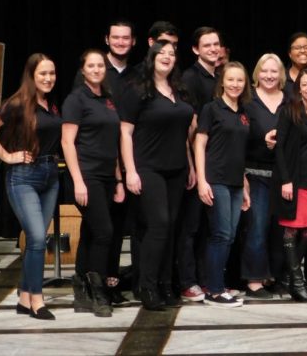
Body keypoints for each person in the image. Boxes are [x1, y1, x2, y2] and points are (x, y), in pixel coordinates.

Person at [0, 53, 61, 320]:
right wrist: (5, 156)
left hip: (50, 176)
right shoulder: (17, 103)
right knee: (37, 239)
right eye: (43, 74)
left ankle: (25, 297)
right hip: (23, 176)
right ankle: (37, 299)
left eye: (52, 73)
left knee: (37, 241)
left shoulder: (50, 104)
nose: (49, 79)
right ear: (31, 76)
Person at [119, 40, 195, 311]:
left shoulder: (180, 90)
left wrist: (192, 167)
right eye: (161, 53)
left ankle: (165, 284)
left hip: (177, 168)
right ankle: (147, 286)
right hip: (148, 168)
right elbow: (125, 133)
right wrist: (130, 171)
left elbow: (184, 135)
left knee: (172, 226)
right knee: (159, 225)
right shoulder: (138, 90)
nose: (167, 57)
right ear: (151, 57)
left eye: (172, 53)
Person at [61, 49, 125, 317]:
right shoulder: (76, 100)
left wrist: (119, 179)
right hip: (86, 176)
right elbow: (67, 142)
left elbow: (114, 142)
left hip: (108, 176)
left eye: (101, 65)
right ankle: (98, 291)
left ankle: (81, 289)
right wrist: (78, 181)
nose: (97, 69)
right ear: (83, 70)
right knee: (104, 233)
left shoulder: (108, 99)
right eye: (92, 66)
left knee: (90, 232)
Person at [195, 61, 252, 308]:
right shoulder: (212, 109)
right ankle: (214, 291)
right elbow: (199, 145)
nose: (235, 84)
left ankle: (218, 283)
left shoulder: (243, 113)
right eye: (230, 79)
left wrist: (245, 185)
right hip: (215, 179)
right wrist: (201, 180)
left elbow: (239, 153)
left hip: (236, 183)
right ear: (222, 82)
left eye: (240, 80)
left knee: (229, 237)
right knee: (220, 234)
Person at [176, 26, 222, 302]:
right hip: (198, 161)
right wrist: (193, 165)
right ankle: (188, 281)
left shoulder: (219, 77)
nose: (213, 49)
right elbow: (190, 127)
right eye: (207, 45)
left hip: (218, 161)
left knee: (210, 227)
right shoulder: (191, 78)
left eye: (216, 44)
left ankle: (206, 280)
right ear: (196, 49)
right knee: (191, 226)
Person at [271, 68, 307, 302]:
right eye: (305, 84)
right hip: (292, 178)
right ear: (298, 87)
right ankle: (297, 282)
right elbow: (280, 148)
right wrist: (286, 180)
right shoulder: (289, 111)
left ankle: (289, 277)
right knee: (291, 229)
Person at [242, 53, 291, 298]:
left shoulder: (289, 99)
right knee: (257, 228)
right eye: (264, 71)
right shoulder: (248, 101)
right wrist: (262, 140)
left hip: (283, 176)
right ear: (257, 74)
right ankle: (254, 281)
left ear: (281, 74)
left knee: (280, 230)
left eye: (274, 71)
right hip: (256, 174)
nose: (269, 76)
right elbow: (238, 137)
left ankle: (276, 277)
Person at [71, 20, 136, 97]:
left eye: (126, 38)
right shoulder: (90, 71)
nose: (120, 43)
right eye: (115, 37)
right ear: (107, 40)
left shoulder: (138, 75)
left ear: (133, 41)